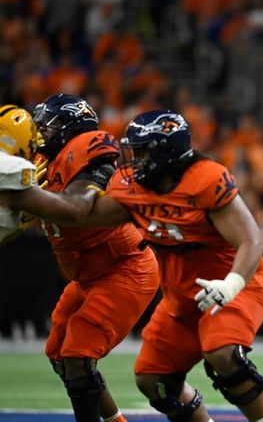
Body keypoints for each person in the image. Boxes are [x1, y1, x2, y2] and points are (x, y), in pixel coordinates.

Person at [26, 109, 263, 422]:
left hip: (233, 284)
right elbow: (81, 214)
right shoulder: (132, 187)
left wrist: (232, 283)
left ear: (167, 151)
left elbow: (251, 240)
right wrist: (24, 198)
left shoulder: (206, 178)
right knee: (153, 381)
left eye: (142, 152)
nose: (134, 160)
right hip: (180, 298)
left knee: (223, 353)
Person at [0, 97, 161, 422]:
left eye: (48, 123)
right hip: (89, 275)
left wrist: (27, 197)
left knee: (78, 354)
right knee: (59, 354)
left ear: (71, 126)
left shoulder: (88, 150)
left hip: (124, 268)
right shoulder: (40, 164)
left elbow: (77, 208)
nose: (39, 131)